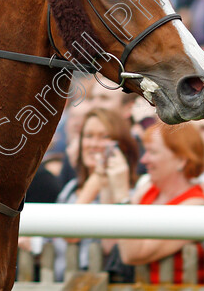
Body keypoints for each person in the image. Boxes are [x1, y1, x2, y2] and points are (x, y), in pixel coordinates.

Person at [104, 123, 204, 284]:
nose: (144, 160)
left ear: (181, 160)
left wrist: (122, 195)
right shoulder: (147, 191)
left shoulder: (196, 205)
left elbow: (132, 254)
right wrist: (105, 182)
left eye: (152, 152)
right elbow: (110, 244)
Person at [52, 108, 139, 281]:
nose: (93, 144)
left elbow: (71, 234)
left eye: (104, 137)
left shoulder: (134, 192)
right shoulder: (70, 188)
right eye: (89, 136)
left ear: (122, 145)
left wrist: (101, 180)